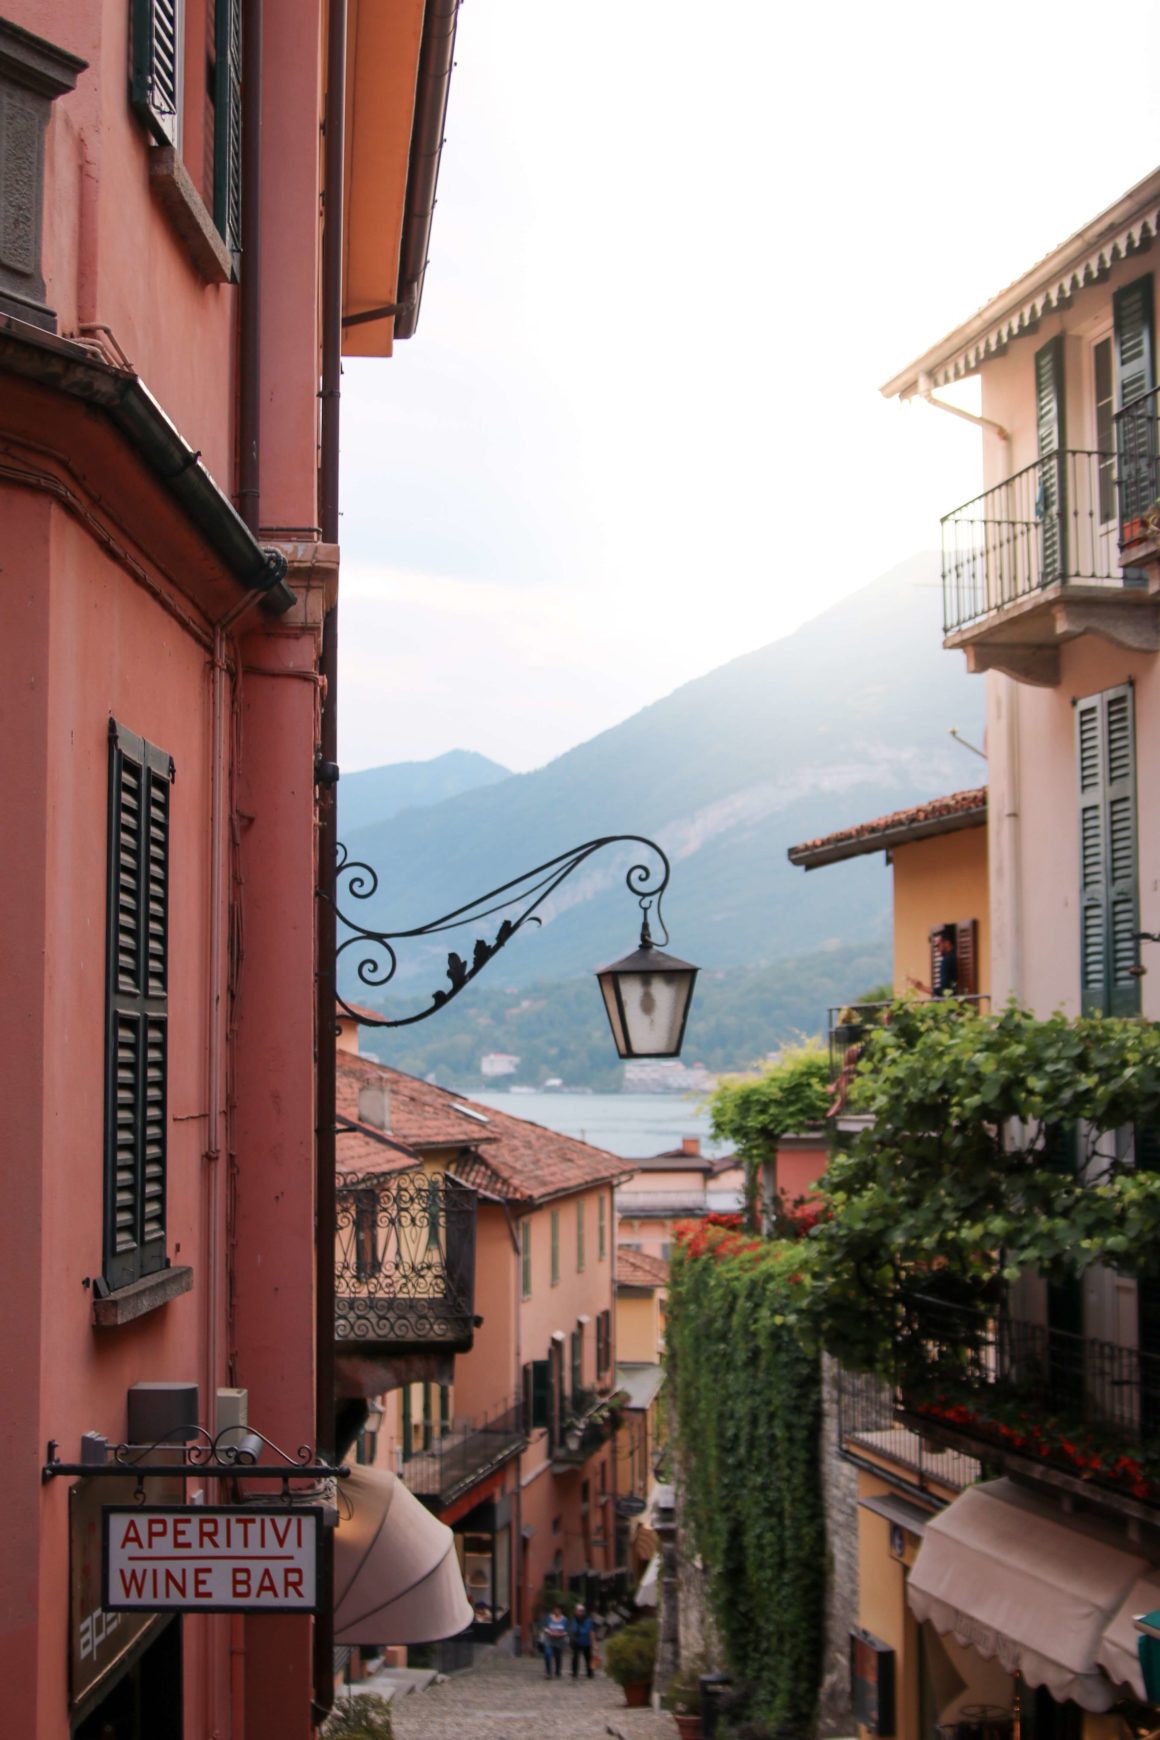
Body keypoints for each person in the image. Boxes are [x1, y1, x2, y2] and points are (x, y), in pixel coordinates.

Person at [570, 1603, 595, 1679]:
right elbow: (573, 1629)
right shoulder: (574, 1619)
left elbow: (588, 1630)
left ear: (584, 1612)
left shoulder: (588, 1620)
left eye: (581, 1611)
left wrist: (593, 1643)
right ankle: (574, 1673)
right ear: (576, 1611)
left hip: (586, 1642)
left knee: (588, 1658)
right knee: (575, 1657)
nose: (580, 1612)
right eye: (578, 1611)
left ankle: (590, 1673)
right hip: (576, 1642)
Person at [542, 1604, 568, 1678]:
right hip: (550, 1639)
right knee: (548, 1654)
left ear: (560, 1610)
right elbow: (545, 1627)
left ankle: (558, 1671)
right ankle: (548, 1672)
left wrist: (561, 1634)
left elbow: (566, 1630)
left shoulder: (564, 1619)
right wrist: (550, 1632)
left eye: (558, 1609)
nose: (557, 1611)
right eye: (555, 1609)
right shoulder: (549, 1618)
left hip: (559, 1640)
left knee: (558, 1656)